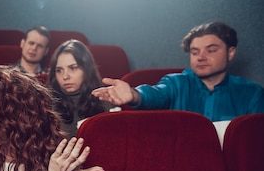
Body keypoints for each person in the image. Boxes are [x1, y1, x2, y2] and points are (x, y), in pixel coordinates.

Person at [92, 21, 264, 121]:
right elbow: (155, 94)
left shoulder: (252, 93)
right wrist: (134, 95)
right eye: (195, 52)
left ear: (230, 52)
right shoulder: (175, 83)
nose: (201, 57)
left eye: (211, 50)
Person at [48, 39, 114, 137]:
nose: (65, 76)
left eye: (73, 68)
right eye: (59, 70)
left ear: (86, 69)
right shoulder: (46, 105)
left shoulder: (106, 100)